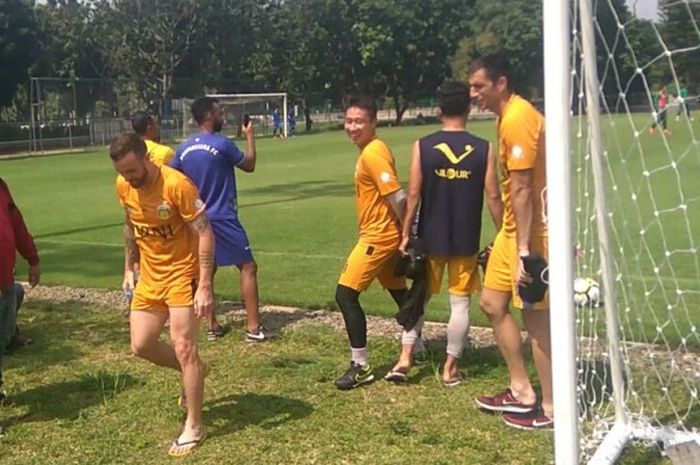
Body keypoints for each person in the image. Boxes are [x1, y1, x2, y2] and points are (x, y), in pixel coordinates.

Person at [384, 81, 501, 387]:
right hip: (465, 238)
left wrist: (406, 233)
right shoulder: (484, 149)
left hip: (430, 238)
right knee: (459, 304)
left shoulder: (423, 146)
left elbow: (413, 194)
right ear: (469, 108)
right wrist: (504, 234)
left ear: (438, 110)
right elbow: (493, 197)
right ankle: (450, 369)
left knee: (419, 299)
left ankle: (405, 359)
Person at [111, 132, 214, 456]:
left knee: (184, 347)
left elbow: (205, 231)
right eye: (122, 172)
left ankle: (194, 425)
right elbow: (130, 224)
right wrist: (130, 267)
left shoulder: (177, 185)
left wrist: (205, 285)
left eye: (132, 170)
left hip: (183, 274)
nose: (129, 177)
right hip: (150, 278)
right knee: (141, 345)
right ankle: (195, 370)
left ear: (147, 159)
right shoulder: (124, 186)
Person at [468, 54, 553, 430]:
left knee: (535, 318)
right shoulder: (507, 117)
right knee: (491, 302)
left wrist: (523, 251)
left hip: (533, 231)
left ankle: (551, 409)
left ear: (501, 84)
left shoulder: (519, 117)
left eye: (479, 87)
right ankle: (522, 391)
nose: (474, 95)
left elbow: (521, 189)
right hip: (514, 231)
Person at [171, 97, 265, 342]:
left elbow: (173, 179)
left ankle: (212, 326)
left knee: (207, 270)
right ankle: (254, 328)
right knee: (248, 266)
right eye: (220, 111)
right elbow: (250, 165)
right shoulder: (223, 144)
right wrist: (250, 137)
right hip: (222, 216)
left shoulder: (183, 148)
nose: (223, 115)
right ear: (211, 115)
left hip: (196, 218)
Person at [334, 95, 409, 390]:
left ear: (374, 122)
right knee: (401, 295)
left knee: (345, 294)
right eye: (349, 121)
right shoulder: (370, 149)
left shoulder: (373, 153)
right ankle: (418, 344)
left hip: (379, 237)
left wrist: (406, 234)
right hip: (382, 234)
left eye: (359, 121)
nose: (352, 127)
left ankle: (361, 365)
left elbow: (397, 196)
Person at [0, 177, 41, 402]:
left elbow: (16, 224)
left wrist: (32, 258)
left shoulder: (1, 186)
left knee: (2, 339)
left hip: (5, 283)